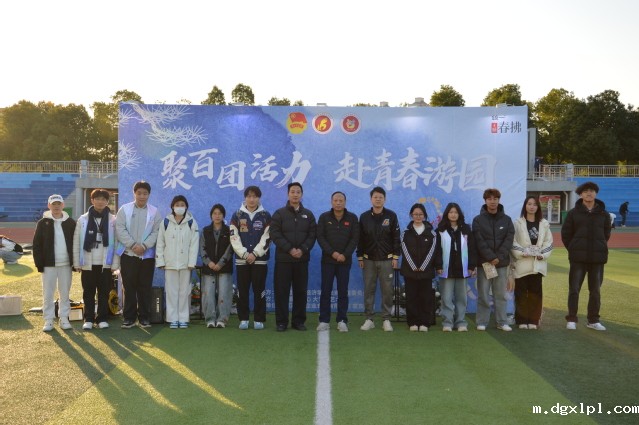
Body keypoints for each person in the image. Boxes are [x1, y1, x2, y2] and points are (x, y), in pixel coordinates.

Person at [562, 182, 611, 331]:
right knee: (574, 289)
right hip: (578, 258)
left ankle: (593, 320)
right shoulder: (573, 213)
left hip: (597, 259)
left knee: (595, 291)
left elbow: (606, 234)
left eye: (592, 191)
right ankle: (572, 319)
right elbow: (566, 234)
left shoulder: (604, 214)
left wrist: (599, 247)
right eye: (585, 191)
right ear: (580, 194)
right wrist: (573, 248)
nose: (589, 193)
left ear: (596, 193)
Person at [115, 181, 162, 329]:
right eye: (139, 193)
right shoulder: (125, 209)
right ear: (134, 193)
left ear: (149, 194)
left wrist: (144, 246)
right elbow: (120, 228)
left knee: (144, 287)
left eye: (145, 193)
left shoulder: (154, 212)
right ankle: (129, 318)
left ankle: (144, 318)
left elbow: (157, 231)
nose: (142, 196)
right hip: (128, 254)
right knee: (129, 287)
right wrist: (133, 245)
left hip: (146, 256)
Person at [270, 182, 317, 332]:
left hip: (301, 260)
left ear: (301, 195)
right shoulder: (279, 214)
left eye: (298, 192)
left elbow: (312, 235)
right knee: (281, 291)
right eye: (292, 192)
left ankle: (298, 321)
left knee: (300, 291)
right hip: (283, 260)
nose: (295, 194)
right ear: (288, 194)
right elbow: (275, 234)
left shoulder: (308, 215)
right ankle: (281, 322)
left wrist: (302, 250)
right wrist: (290, 249)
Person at [357, 186, 401, 332]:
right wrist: (360, 256)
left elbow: (396, 238)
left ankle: (386, 319)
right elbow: (360, 238)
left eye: (380, 197)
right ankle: (369, 319)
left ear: (384, 199)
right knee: (369, 289)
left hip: (387, 259)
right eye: (375, 197)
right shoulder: (364, 217)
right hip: (368, 259)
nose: (378, 199)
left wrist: (395, 257)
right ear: (371, 199)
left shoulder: (391, 216)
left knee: (387, 290)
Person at [73, 189, 117, 331]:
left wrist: (115, 263)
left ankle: (102, 318)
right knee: (88, 293)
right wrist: (76, 262)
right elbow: (76, 242)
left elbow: (117, 243)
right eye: (97, 199)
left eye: (103, 199)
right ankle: (89, 319)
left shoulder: (113, 220)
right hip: (87, 263)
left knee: (104, 293)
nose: (100, 202)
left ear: (107, 202)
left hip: (105, 263)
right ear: (92, 201)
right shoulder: (83, 219)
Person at [316, 191, 359, 332]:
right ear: (331, 202)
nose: (338, 203)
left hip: (344, 262)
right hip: (328, 261)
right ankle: (324, 320)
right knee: (326, 291)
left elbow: (354, 238)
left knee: (343, 291)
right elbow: (320, 237)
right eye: (336, 200)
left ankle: (342, 320)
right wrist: (333, 253)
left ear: (345, 202)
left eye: (341, 200)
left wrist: (344, 254)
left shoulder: (352, 218)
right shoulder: (324, 217)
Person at [472, 188, 515, 332]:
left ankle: (502, 322)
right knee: (483, 294)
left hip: (501, 264)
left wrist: (498, 257)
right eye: (489, 199)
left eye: (495, 199)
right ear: (485, 201)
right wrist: (490, 257)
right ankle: (482, 322)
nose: (492, 201)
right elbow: (479, 241)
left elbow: (509, 240)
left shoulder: (507, 220)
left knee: (500, 295)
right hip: (484, 263)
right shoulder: (477, 220)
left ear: (499, 200)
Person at [230, 186, 271, 330]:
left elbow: (267, 237)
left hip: (260, 260)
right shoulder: (237, 215)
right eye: (249, 196)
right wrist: (245, 254)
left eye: (255, 196)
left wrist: (255, 253)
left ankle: (259, 319)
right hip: (242, 260)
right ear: (245, 198)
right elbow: (233, 237)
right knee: (242, 291)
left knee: (259, 290)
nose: (252, 199)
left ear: (259, 198)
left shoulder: (265, 216)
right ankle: (244, 319)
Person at [33, 194, 75, 332]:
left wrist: (74, 262)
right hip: (48, 265)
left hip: (66, 264)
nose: (56, 207)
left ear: (63, 205)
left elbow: (76, 243)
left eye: (58, 204)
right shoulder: (42, 223)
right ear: (49, 206)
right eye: (53, 204)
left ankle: (64, 318)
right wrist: (39, 264)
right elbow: (37, 245)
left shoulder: (70, 222)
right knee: (48, 293)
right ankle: (49, 319)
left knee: (65, 293)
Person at [156, 195, 199, 329]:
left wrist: (192, 262)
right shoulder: (165, 222)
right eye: (177, 205)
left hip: (186, 264)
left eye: (182, 205)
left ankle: (184, 318)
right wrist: (160, 261)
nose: (180, 207)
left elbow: (194, 244)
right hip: (170, 264)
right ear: (172, 207)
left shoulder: (191, 222)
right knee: (171, 292)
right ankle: (172, 318)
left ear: (186, 207)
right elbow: (160, 243)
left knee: (185, 292)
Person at [510, 196, 553, 330]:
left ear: (538, 207)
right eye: (529, 204)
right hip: (522, 264)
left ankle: (534, 320)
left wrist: (542, 255)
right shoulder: (517, 223)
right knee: (521, 294)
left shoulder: (544, 224)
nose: (532, 207)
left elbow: (548, 242)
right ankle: (521, 320)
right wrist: (523, 252)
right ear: (525, 206)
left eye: (534, 204)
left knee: (536, 294)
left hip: (537, 265)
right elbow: (512, 241)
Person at [436, 202, 476, 332]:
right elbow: (437, 250)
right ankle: (447, 322)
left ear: (459, 214)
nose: (453, 215)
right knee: (446, 297)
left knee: (461, 298)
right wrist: (438, 265)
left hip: (462, 269)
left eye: (456, 212)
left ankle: (460, 322)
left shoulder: (466, 229)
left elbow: (472, 248)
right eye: (451, 212)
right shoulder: (440, 230)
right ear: (447, 214)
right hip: (446, 269)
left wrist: (471, 266)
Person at [400, 204, 439, 332]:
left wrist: (422, 266)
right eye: (415, 214)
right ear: (411, 215)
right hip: (409, 271)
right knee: (411, 297)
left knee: (425, 297)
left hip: (426, 271)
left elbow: (432, 251)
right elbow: (405, 251)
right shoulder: (405, 233)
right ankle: (412, 322)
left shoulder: (432, 233)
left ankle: (424, 323)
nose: (418, 216)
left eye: (420, 214)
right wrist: (413, 266)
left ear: (424, 216)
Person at [200, 204, 233, 328]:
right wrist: (209, 262)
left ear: (223, 215)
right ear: (211, 216)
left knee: (224, 293)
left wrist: (220, 263)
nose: (217, 216)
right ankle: (210, 319)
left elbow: (231, 249)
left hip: (224, 267)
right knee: (208, 293)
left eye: (220, 213)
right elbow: (202, 249)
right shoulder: (205, 231)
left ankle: (222, 319)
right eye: (215, 213)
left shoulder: (229, 231)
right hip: (209, 268)